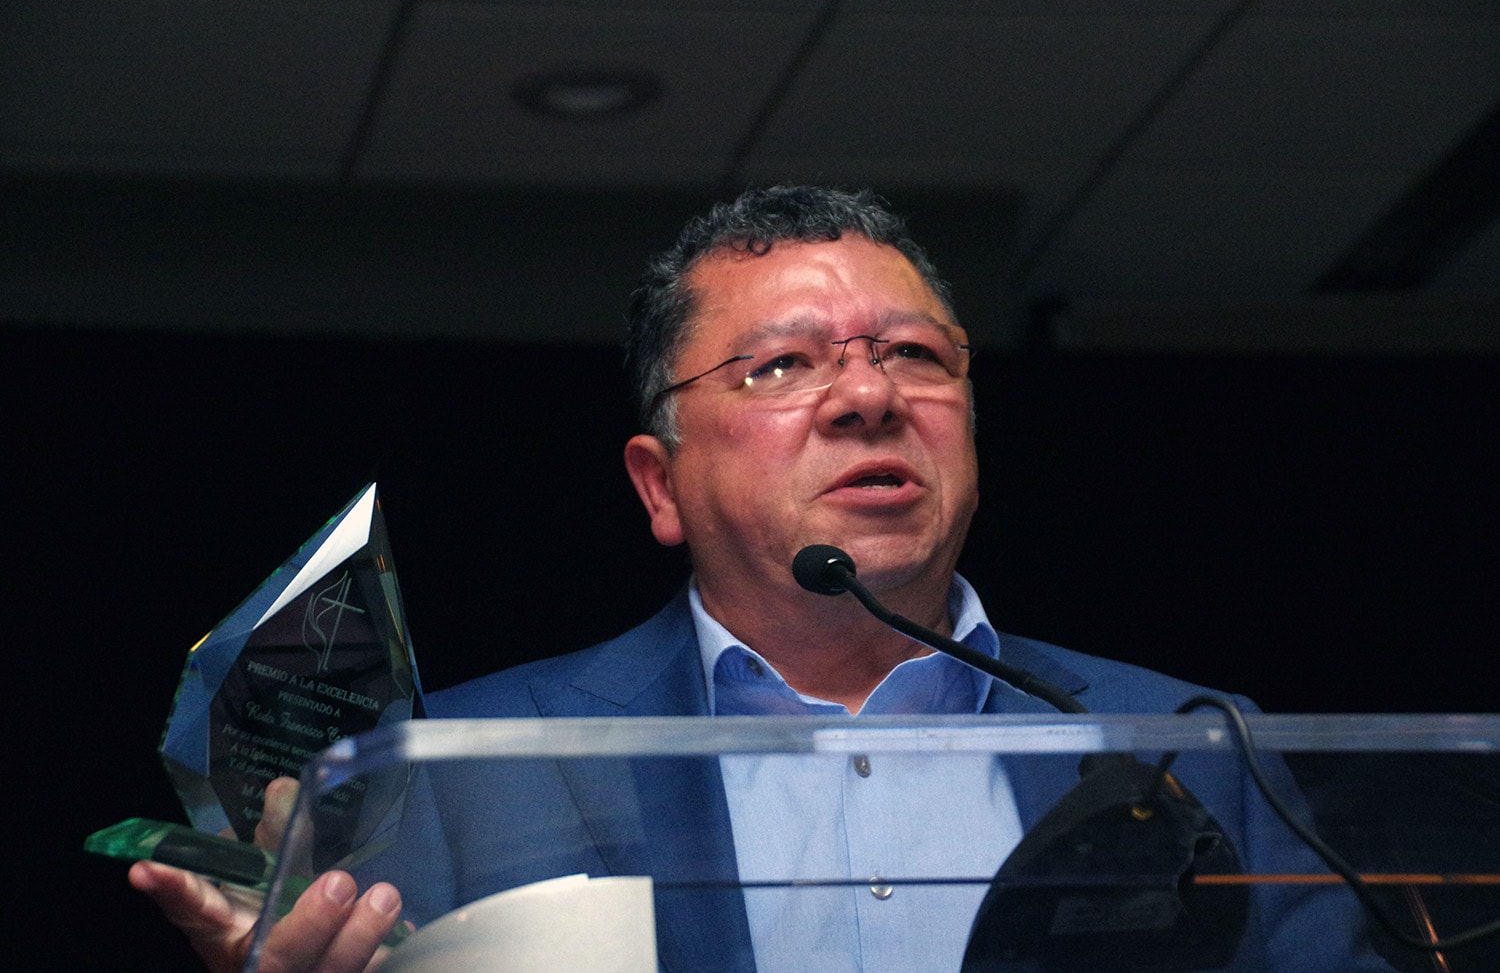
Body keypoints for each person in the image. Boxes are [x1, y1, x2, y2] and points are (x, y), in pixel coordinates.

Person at [132, 185, 1391, 971]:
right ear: (659, 483)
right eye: (783, 366)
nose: (867, 393)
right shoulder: (466, 766)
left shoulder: (1190, 742)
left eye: (913, 353)